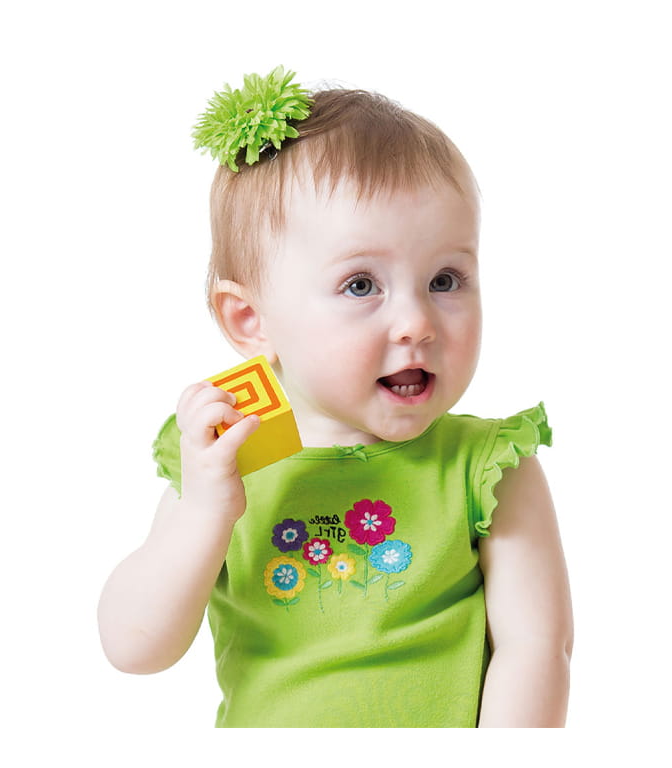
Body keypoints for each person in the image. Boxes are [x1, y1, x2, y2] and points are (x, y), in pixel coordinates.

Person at [97, 69, 573, 727]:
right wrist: (205, 509)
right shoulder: (227, 457)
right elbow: (134, 648)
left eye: (444, 279)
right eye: (360, 286)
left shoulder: (487, 467)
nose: (416, 323)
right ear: (250, 320)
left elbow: (536, 649)